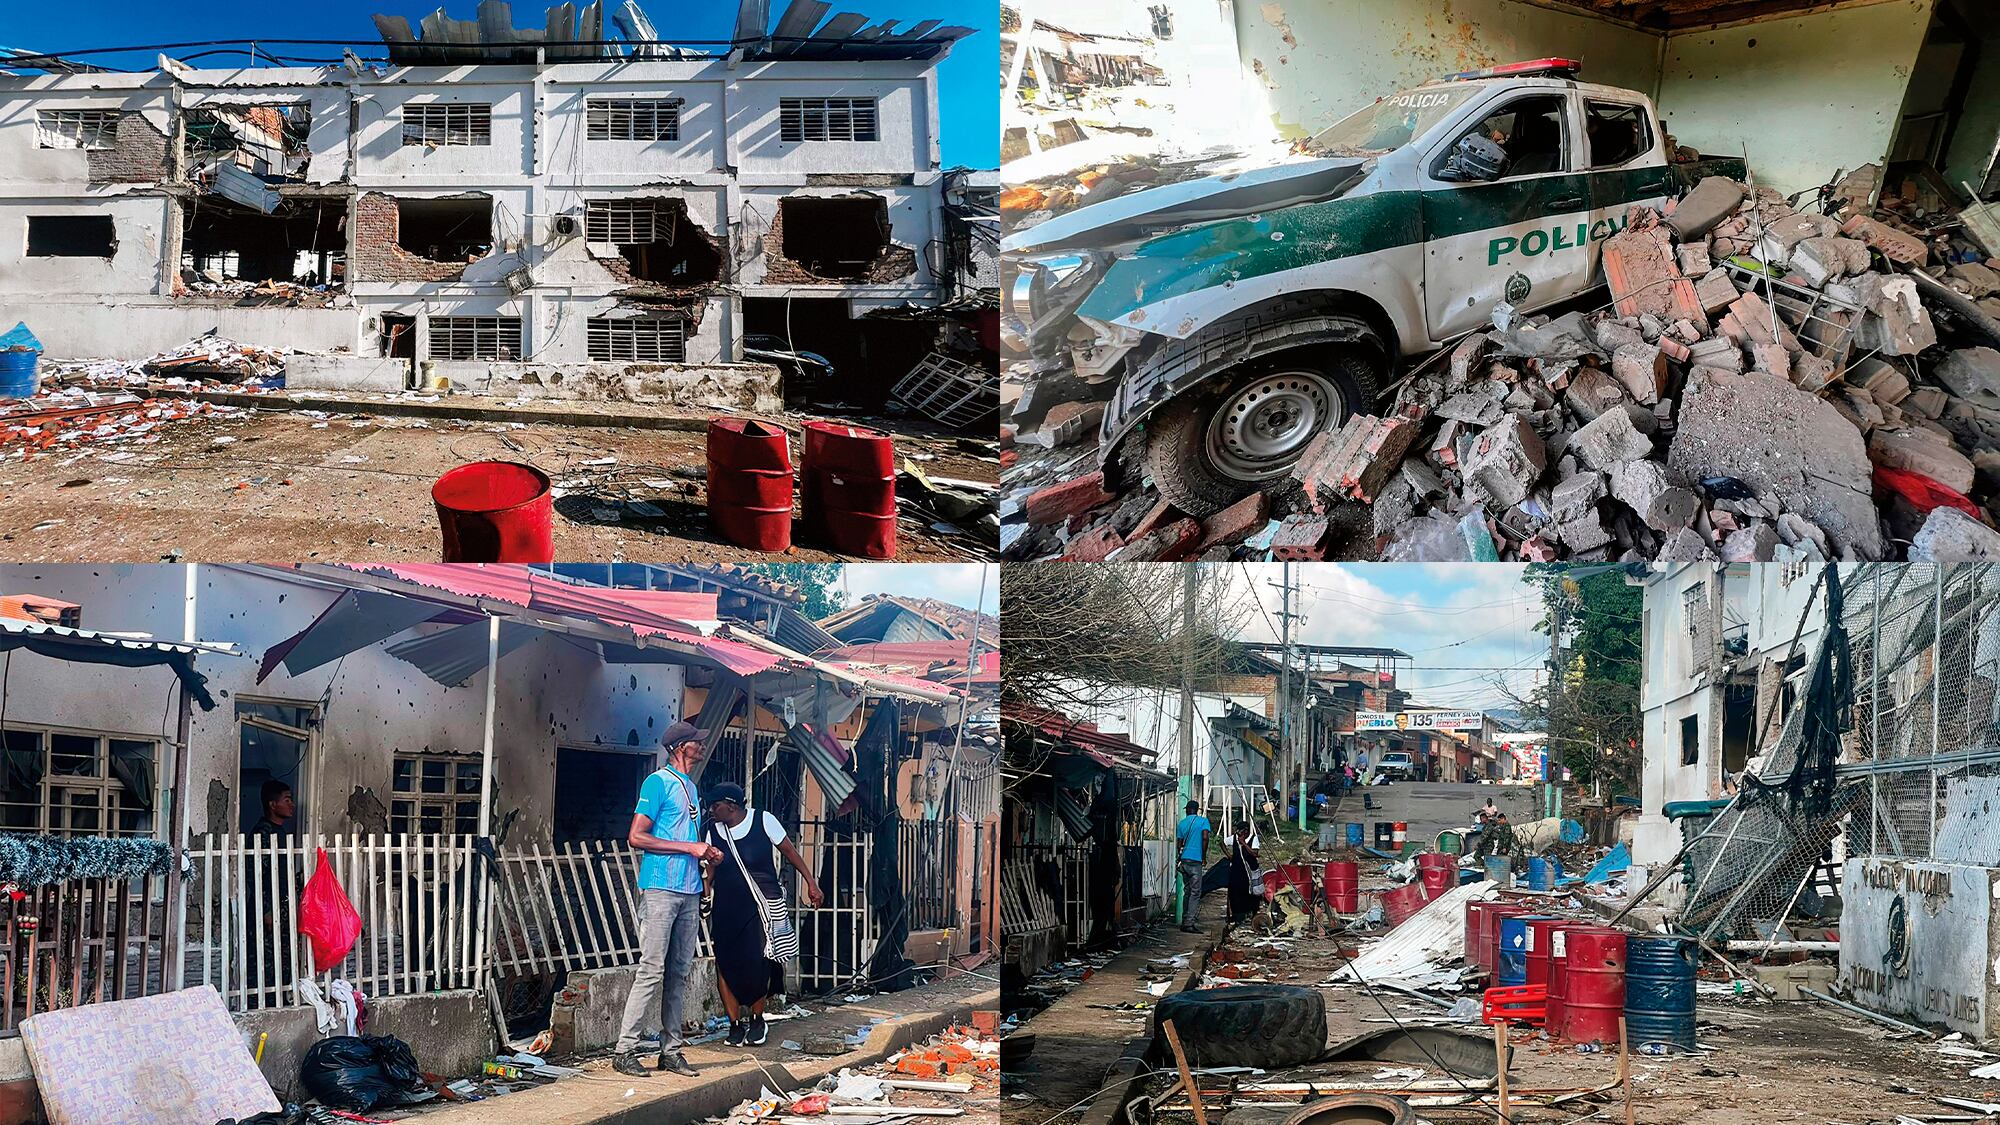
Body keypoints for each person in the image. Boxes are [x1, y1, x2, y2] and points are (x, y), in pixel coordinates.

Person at [612, 720, 724, 1079]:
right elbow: (636, 836)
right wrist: (690, 847)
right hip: (660, 887)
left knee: (679, 971)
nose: (701, 746)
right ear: (680, 748)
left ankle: (671, 1050)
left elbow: (686, 837)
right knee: (651, 969)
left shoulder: (691, 787)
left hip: (689, 888)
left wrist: (704, 855)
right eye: (696, 742)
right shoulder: (657, 782)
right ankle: (625, 1049)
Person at [701, 783, 824, 1047]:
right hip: (727, 907)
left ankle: (757, 1020)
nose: (711, 810)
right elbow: (709, 872)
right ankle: (734, 1025)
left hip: (761, 906)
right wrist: (705, 890)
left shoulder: (763, 820)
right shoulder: (713, 830)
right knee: (725, 964)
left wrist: (811, 883)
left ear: (731, 805)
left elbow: (791, 854)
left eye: (715, 806)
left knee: (758, 963)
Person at [1174, 800, 1210, 933]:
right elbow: (1205, 838)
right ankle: (1189, 923)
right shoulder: (1203, 821)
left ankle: (1185, 919)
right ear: (1197, 809)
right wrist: (1204, 856)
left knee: (1187, 891)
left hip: (1184, 861)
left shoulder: (1182, 823)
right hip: (1196, 861)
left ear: (1187, 810)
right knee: (1195, 893)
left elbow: (1179, 844)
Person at [1225, 822, 1261, 927]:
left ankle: (1251, 913)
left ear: (1245, 831)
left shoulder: (1253, 839)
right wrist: (1228, 855)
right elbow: (1221, 842)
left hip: (1249, 870)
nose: (1238, 833)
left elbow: (1255, 853)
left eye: (1240, 831)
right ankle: (1237, 915)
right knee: (1235, 892)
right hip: (1237, 870)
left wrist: (1244, 844)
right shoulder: (1234, 838)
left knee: (1251, 893)